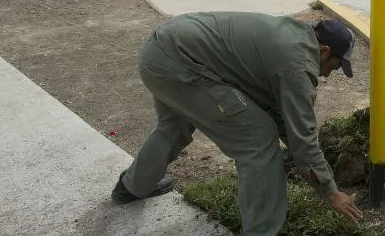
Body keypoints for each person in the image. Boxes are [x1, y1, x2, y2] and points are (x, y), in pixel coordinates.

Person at [112, 12, 363, 235]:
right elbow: (303, 138)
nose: (328, 74)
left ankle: (132, 187)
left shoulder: (293, 34)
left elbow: (285, 119)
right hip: (181, 64)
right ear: (324, 51)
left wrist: (309, 162)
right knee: (258, 139)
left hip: (160, 51)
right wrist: (331, 191)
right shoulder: (298, 66)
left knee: (175, 125)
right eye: (334, 67)